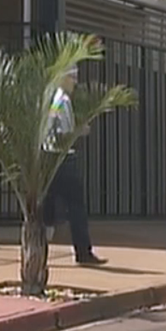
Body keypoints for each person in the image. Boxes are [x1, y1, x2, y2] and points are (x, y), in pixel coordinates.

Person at [42, 66, 105, 265]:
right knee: (76, 206)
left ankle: (40, 250)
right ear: (62, 78)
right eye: (72, 77)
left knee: (46, 206)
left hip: (48, 157)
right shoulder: (62, 100)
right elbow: (64, 132)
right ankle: (83, 252)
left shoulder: (50, 97)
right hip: (63, 158)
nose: (75, 82)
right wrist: (81, 130)